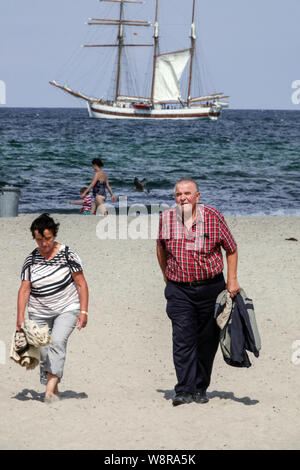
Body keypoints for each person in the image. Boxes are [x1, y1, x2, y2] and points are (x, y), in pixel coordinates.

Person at [156, 178, 240, 407]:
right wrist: (167, 276)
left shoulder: (213, 217)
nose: (182, 197)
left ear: (197, 196)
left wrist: (232, 280)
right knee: (182, 340)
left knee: (207, 340)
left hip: (211, 288)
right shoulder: (166, 219)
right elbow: (160, 248)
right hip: (179, 290)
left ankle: (200, 388)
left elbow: (231, 249)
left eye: (187, 193)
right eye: (178, 194)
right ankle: (183, 389)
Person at [16, 213, 89, 403]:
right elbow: (24, 289)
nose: (44, 244)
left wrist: (83, 311)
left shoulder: (68, 255)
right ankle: (53, 387)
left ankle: (48, 390)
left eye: (47, 239)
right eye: (39, 240)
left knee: (57, 342)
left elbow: (81, 284)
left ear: (54, 235)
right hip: (39, 311)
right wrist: (20, 318)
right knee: (43, 351)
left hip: (67, 307)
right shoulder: (30, 260)